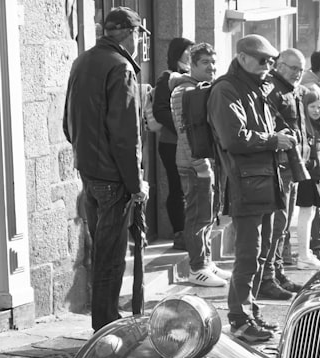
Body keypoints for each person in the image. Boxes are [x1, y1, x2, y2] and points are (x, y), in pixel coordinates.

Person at [62, 6, 149, 331]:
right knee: (110, 258)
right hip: (112, 176)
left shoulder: (83, 60)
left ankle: (104, 321)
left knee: (103, 251)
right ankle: (106, 325)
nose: (140, 41)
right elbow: (127, 136)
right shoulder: (121, 67)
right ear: (132, 34)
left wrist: (84, 155)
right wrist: (135, 182)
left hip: (90, 171)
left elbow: (67, 123)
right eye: (140, 35)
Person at [208, 34, 296, 343]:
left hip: (264, 180)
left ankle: (251, 311)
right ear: (243, 57)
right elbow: (233, 138)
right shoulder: (226, 89)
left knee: (262, 253)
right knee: (248, 254)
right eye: (263, 61)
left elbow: (257, 130)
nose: (268, 66)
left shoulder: (255, 87)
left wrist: (278, 134)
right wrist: (275, 140)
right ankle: (240, 318)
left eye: (271, 61)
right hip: (246, 183)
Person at [169, 43, 231, 287]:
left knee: (208, 214)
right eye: (205, 63)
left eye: (213, 62)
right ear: (192, 64)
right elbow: (185, 132)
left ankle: (206, 261)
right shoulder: (183, 91)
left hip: (207, 162)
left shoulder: (199, 88)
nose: (211, 67)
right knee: (197, 215)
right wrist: (200, 165)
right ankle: (197, 268)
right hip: (194, 164)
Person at [263, 47, 308, 299]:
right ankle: (267, 277)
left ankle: (277, 271)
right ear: (279, 65)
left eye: (301, 70)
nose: (297, 74)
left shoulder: (290, 89)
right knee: (277, 223)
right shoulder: (272, 88)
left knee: (283, 225)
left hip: (291, 164)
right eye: (293, 68)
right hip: (279, 166)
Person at [152, 37, 193, 249]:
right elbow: (160, 111)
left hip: (191, 143)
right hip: (172, 143)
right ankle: (179, 232)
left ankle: (191, 230)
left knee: (192, 188)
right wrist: (181, 126)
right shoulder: (167, 77)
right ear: (178, 53)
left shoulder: (192, 77)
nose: (191, 54)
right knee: (177, 187)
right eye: (188, 51)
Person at [292, 88, 320, 269]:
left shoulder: (319, 128)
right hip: (307, 175)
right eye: (312, 107)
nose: (317, 110)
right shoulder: (304, 129)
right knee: (306, 213)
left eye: (319, 107)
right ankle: (303, 254)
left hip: (317, 175)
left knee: (310, 213)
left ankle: (306, 253)